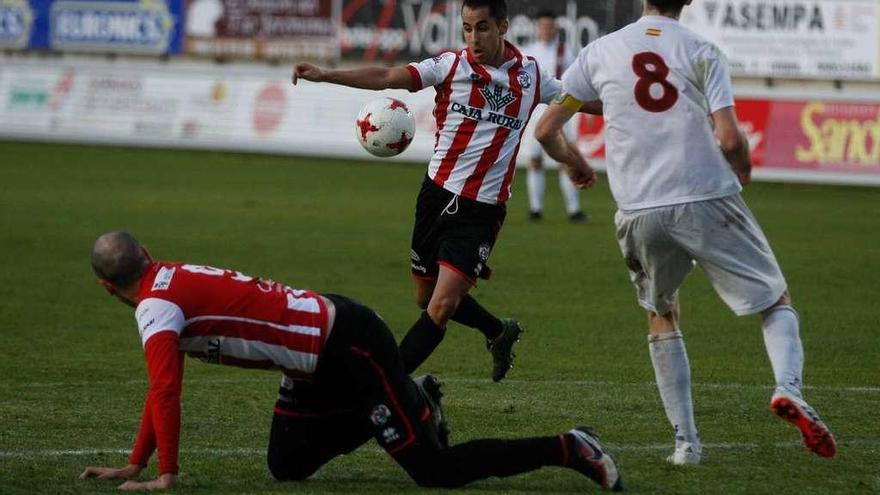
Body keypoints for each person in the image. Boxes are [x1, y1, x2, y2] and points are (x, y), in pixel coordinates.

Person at [79, 231, 622, 491]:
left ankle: (570, 447)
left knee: (434, 472)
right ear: (147, 254)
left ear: (107, 288)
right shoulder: (165, 280)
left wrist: (166, 476)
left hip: (350, 346)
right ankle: (416, 401)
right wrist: (138, 463)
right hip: (314, 356)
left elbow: (166, 391)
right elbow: (162, 390)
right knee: (286, 465)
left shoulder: (154, 309)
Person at [534, 0, 836, 466]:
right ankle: (788, 389)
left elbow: (546, 130)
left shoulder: (600, 51)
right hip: (704, 196)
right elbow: (731, 138)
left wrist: (575, 164)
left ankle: (686, 445)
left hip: (637, 207)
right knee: (775, 299)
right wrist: (743, 170)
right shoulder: (702, 49)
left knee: (662, 313)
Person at [292, 0, 599, 382]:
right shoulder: (450, 66)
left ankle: (386, 389)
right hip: (435, 197)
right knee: (425, 298)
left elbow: (585, 102)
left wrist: (643, 107)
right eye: (467, 28)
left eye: (483, 27)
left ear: (503, 27)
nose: (474, 38)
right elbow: (388, 75)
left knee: (439, 307)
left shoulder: (532, 78)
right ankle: (498, 331)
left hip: (482, 211)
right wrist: (325, 74)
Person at [520, 9, 587, 223]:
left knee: (566, 158)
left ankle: (574, 209)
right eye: (543, 26)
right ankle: (536, 208)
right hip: (535, 112)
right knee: (535, 160)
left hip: (560, 111)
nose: (546, 30)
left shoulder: (565, 51)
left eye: (550, 26)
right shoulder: (528, 52)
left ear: (555, 28)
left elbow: (574, 82)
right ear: (537, 28)